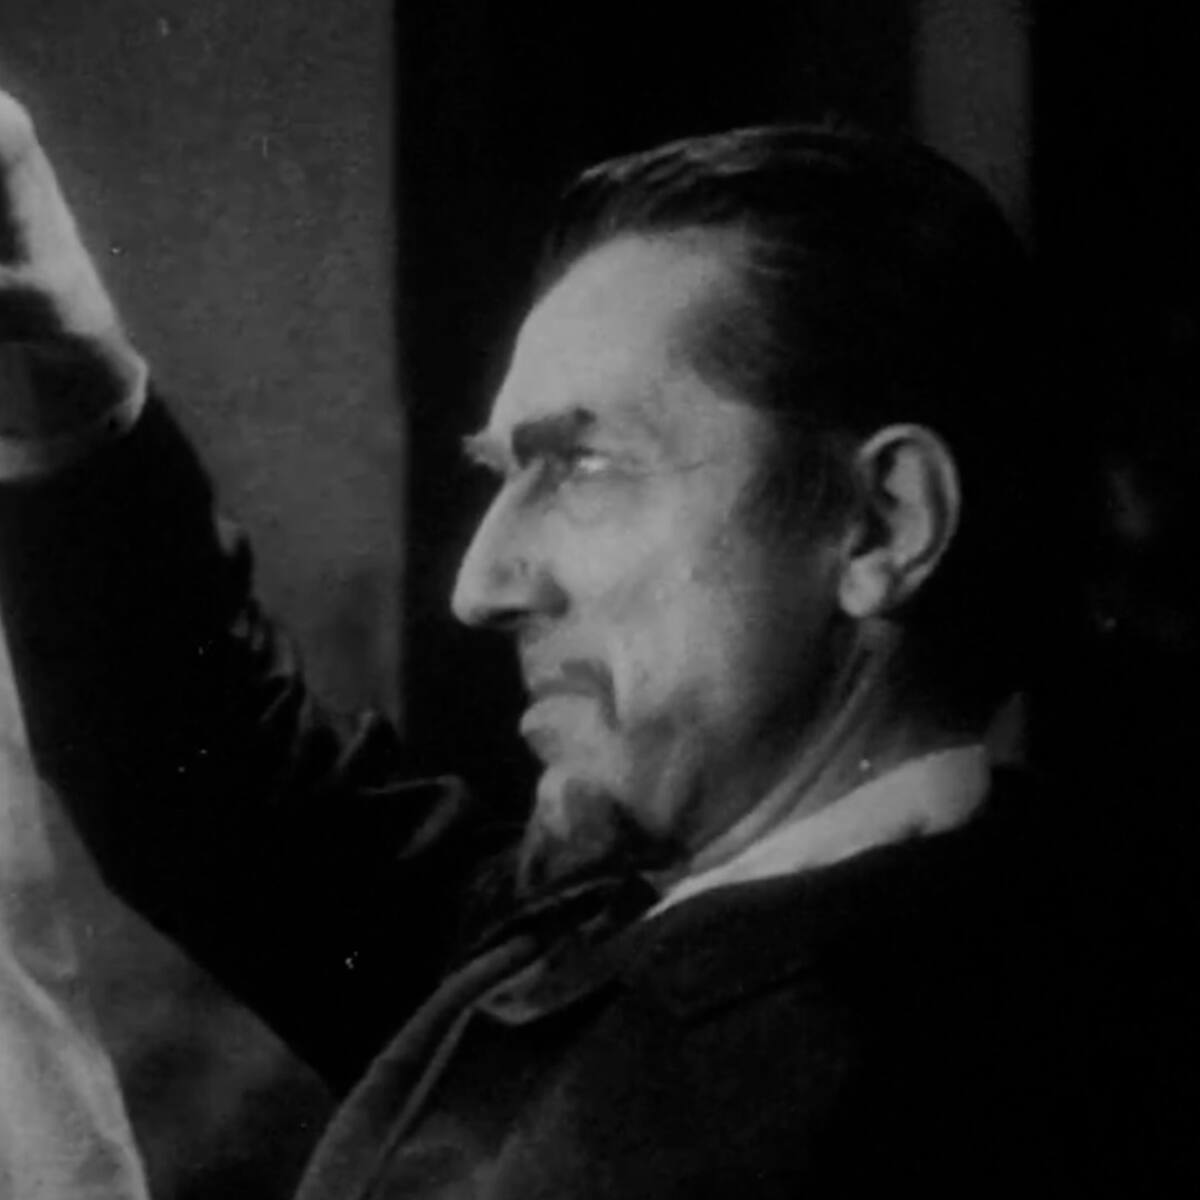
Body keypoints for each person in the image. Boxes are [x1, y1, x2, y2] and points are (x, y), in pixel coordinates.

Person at [0, 86, 1146, 1197]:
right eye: (505, 476)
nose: (480, 588)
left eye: (583, 468)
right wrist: (69, 382)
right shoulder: (690, 924)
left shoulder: (890, 1101)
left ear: (882, 523)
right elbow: (222, 787)